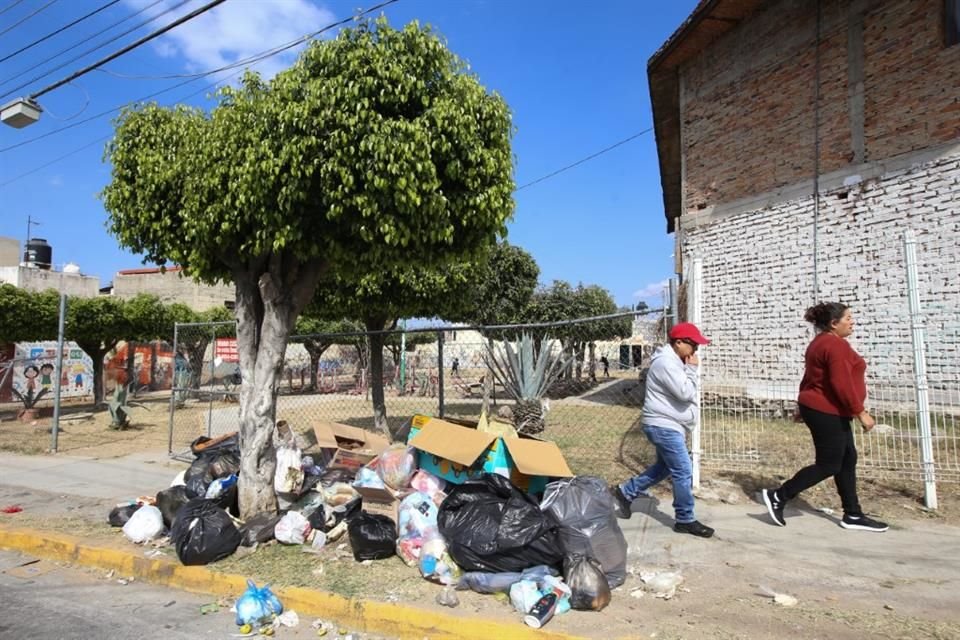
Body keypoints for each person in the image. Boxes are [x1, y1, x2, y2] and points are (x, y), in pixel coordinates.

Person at [761, 303, 888, 533]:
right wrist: (861, 412)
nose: (852, 322)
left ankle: (853, 514)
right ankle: (779, 495)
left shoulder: (821, 343)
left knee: (847, 459)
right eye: (848, 318)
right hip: (827, 409)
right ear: (833, 323)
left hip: (827, 409)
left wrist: (803, 406)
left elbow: (811, 378)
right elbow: (841, 383)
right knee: (829, 463)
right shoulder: (834, 345)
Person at [610, 322, 714, 538]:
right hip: (663, 425)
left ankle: (625, 492)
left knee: (664, 468)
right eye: (693, 344)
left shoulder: (673, 361)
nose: (696, 349)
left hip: (667, 424)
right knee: (683, 470)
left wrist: (688, 369)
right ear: (679, 343)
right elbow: (685, 392)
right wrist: (692, 370)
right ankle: (685, 519)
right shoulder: (666, 363)